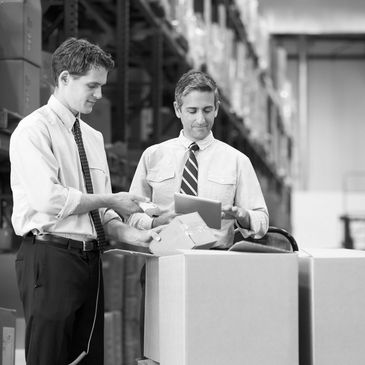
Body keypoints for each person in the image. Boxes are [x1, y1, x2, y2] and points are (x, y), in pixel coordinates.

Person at [9, 37, 159, 365]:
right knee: (49, 357)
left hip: (90, 261)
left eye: (102, 86)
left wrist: (136, 236)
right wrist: (113, 199)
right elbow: (48, 199)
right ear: (64, 79)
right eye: (92, 85)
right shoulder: (33, 131)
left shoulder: (93, 138)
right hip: (50, 257)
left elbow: (100, 212)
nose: (99, 95)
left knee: (86, 356)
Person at [128, 70, 269, 248]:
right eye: (192, 111)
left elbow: (262, 222)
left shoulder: (237, 161)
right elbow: (131, 214)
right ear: (177, 110)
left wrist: (243, 216)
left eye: (207, 110)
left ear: (216, 108)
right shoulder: (153, 156)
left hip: (215, 262)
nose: (201, 119)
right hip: (164, 256)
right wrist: (156, 223)